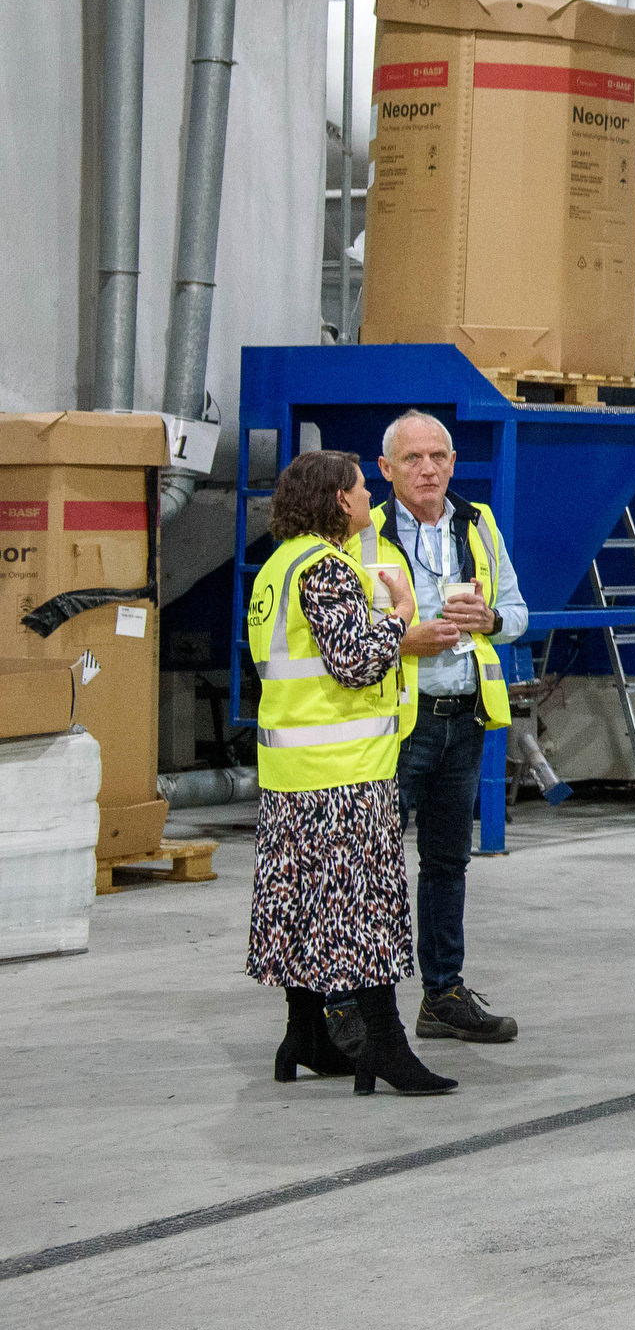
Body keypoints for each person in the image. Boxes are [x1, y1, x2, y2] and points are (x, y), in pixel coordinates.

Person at [243, 448, 450, 1097]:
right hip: (341, 776)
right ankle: (384, 1045)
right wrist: (404, 621)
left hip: (291, 775)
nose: (369, 499)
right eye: (363, 489)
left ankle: (305, 1035)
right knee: (365, 910)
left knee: (305, 907)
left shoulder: (278, 567)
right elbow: (356, 662)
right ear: (340, 500)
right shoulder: (327, 568)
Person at [365, 410, 528, 1048]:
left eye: (438, 456)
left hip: (463, 719)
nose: (428, 469)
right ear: (386, 471)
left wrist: (488, 618)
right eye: (412, 459)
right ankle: (360, 1005)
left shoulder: (479, 524)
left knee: (446, 864)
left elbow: (517, 613)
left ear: (454, 463)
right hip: (397, 729)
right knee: (375, 867)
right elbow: (342, 633)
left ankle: (443, 996)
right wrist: (405, 640)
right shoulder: (366, 534)